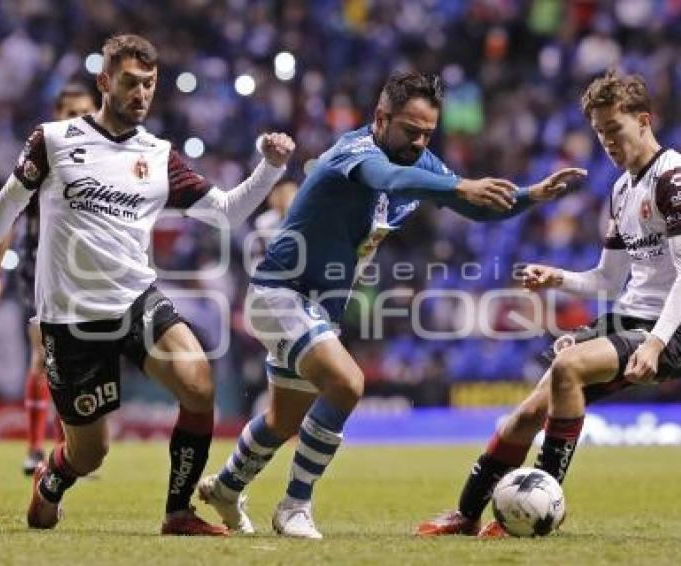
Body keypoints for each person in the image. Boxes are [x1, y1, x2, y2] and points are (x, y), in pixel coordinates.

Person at [197, 70, 586, 539]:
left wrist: (532, 195)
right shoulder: (355, 152)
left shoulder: (418, 159)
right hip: (280, 291)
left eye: (428, 133)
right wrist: (459, 185)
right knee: (346, 383)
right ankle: (294, 506)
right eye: (410, 130)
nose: (420, 142)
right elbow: (390, 178)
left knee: (283, 419)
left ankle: (226, 487)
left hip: (318, 307)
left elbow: (479, 206)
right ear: (380, 118)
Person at [0, 33, 295, 536]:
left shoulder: (159, 156)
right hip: (71, 318)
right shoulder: (54, 141)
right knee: (90, 452)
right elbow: (11, 199)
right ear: (104, 82)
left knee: (198, 383)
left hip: (135, 301)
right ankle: (52, 480)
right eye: (130, 82)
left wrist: (270, 168)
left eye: (149, 83)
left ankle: (178, 512)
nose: (141, 93)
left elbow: (228, 211)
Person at [416, 71, 681, 538]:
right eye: (599, 134)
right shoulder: (622, 190)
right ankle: (466, 514)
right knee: (523, 414)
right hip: (631, 317)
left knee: (568, 367)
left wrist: (656, 343)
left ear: (644, 121)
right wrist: (555, 277)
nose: (607, 143)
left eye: (614, 130)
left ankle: (544, 505)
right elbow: (608, 279)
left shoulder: (677, 180)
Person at [0, 82, 98, 476]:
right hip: (39, 268)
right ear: (57, 114)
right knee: (43, 354)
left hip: (83, 271)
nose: (78, 121)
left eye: (85, 113)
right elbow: (9, 216)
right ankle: (36, 449)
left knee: (78, 359)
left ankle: (69, 449)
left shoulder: (98, 160)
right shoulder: (44, 156)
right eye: (71, 113)